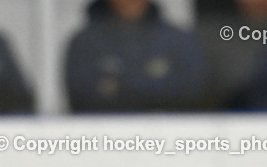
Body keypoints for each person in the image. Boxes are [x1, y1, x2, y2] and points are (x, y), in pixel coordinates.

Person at [65, 0, 209, 112]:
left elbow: (195, 92)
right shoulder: (85, 44)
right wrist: (154, 87)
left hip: (172, 136)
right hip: (104, 137)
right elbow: (84, 97)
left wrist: (120, 87)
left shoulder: (178, 41)